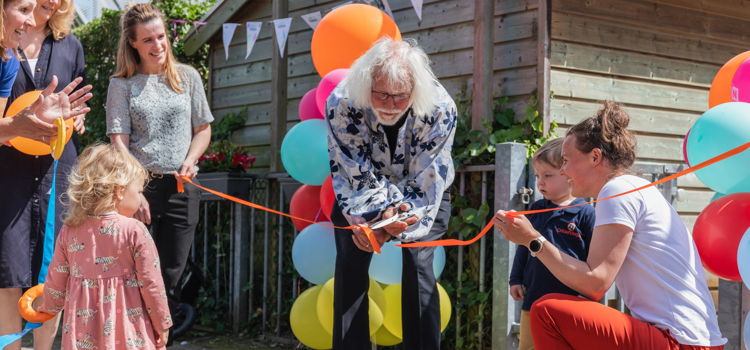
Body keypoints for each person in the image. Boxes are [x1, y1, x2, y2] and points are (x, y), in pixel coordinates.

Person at [493, 101, 726, 349]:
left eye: (566, 160)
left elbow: (595, 283)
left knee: (546, 310)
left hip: (679, 342)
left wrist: (532, 240)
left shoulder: (617, 190)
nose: (563, 171)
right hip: (686, 339)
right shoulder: (632, 188)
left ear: (595, 157)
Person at [326, 37, 456, 349]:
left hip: (424, 194)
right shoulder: (342, 101)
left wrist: (397, 219)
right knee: (351, 263)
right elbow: (350, 166)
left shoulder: (440, 107)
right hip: (356, 193)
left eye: (401, 97)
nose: (390, 104)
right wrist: (374, 219)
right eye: (381, 94)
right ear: (366, 82)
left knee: (419, 265)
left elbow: (428, 178)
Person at [106, 3, 212, 340]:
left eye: (161, 36)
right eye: (148, 39)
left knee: (170, 274)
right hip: (139, 188)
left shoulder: (189, 77)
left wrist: (192, 159)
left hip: (181, 187)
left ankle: (156, 341)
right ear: (133, 44)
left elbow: (203, 128)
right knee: (133, 269)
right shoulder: (122, 85)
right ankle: (125, 338)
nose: (158, 45)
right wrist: (134, 188)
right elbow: (118, 141)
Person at [0, 0, 86, 346]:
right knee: (8, 270)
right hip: (8, 169)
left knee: (54, 272)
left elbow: (76, 104)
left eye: (58, 3)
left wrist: (77, 118)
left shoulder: (71, 45)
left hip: (57, 167)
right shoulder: (7, 46)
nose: (51, 4)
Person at [34, 143, 172, 350]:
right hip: (127, 331)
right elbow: (152, 284)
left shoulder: (70, 230)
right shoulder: (135, 230)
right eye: (139, 190)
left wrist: (48, 307)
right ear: (119, 191)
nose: (140, 198)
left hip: (82, 332)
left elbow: (56, 278)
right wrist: (162, 323)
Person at [508, 137, 595, 350]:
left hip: (571, 304)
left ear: (568, 175)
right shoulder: (536, 209)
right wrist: (515, 279)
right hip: (534, 300)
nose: (540, 182)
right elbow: (523, 246)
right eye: (538, 175)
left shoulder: (585, 213)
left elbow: (594, 260)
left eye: (548, 175)